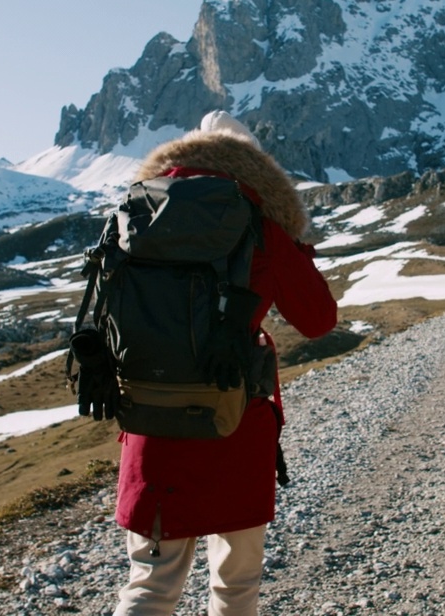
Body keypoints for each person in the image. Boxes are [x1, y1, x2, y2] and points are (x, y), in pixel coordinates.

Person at [112, 110, 338, 615]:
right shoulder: (258, 218)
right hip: (233, 421)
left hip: (151, 420)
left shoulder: (136, 211)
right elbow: (319, 319)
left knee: (150, 585)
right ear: (252, 162)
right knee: (235, 586)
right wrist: (295, 250)